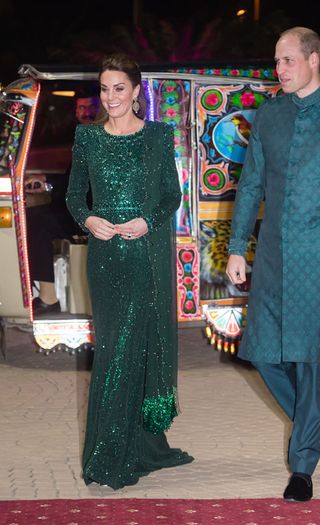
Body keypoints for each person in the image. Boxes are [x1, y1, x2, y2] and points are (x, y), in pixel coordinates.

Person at [226, 27, 320, 501]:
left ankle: (303, 465)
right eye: (277, 62)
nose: (279, 70)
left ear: (313, 61)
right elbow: (250, 186)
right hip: (272, 253)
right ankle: (310, 421)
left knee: (312, 360)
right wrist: (235, 247)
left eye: (287, 61)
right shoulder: (268, 115)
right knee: (263, 352)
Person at [66, 53, 193, 489]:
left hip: (144, 257)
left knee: (134, 350)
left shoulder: (159, 136)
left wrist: (147, 221)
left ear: (137, 91)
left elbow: (170, 197)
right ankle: (108, 451)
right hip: (105, 259)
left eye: (119, 87)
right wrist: (89, 220)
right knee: (113, 351)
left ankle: (128, 449)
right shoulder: (87, 138)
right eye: (104, 88)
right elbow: (73, 198)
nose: (111, 96)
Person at [26, 88, 100, 314]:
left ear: (101, 109)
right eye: (81, 108)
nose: (86, 113)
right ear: (76, 112)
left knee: (40, 222)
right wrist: (45, 180)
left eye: (91, 108)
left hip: (94, 211)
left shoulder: (101, 138)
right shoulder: (84, 137)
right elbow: (73, 178)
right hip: (81, 207)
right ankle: (37, 291)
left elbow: (84, 183)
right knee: (32, 215)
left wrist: (48, 184)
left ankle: (48, 299)